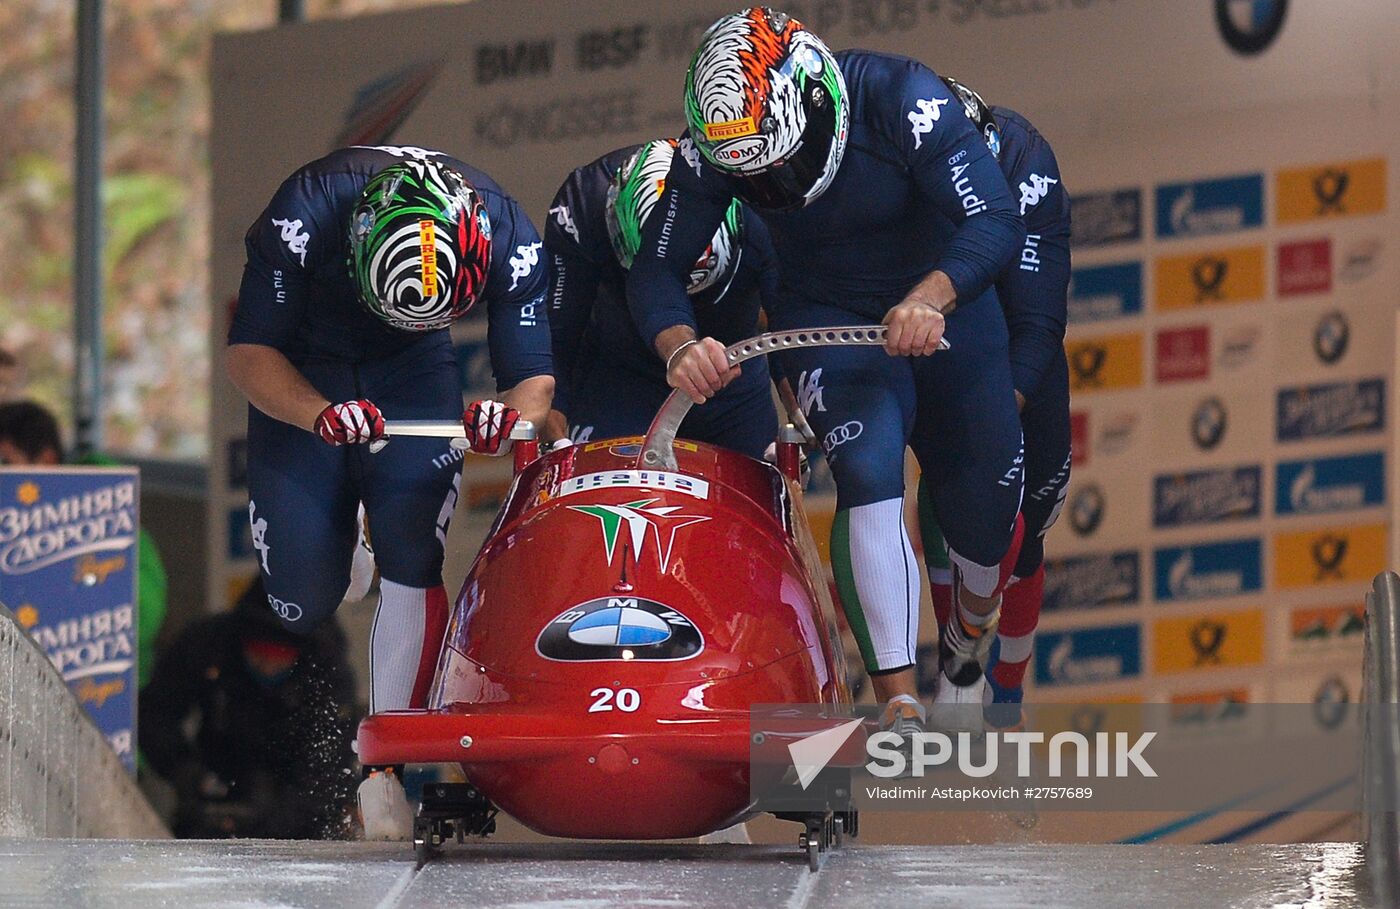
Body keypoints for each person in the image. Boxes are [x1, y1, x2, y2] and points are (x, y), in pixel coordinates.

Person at [627, 8, 1026, 736]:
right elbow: (655, 266)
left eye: (783, 161)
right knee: (867, 465)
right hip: (825, 318)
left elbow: (995, 218)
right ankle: (899, 699)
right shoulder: (714, 147)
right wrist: (681, 345)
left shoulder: (902, 99)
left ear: (817, 104)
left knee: (983, 519)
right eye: (753, 175)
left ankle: (969, 634)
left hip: (947, 312)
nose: (775, 183)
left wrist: (932, 294)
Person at [225, 145, 553, 838]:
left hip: (412, 369)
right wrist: (316, 411)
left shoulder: (505, 233)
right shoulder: (305, 210)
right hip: (305, 365)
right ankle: (346, 549)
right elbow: (250, 352)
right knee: (300, 599)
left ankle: (384, 770)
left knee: (414, 548)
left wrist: (506, 415)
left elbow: (532, 384)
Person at [919, 78, 1072, 731]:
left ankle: (1005, 696)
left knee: (1025, 525)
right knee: (947, 493)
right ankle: (958, 660)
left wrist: (997, 423)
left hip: (1014, 334)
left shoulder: (1025, 158)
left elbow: (1038, 322)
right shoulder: (911, 164)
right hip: (950, 335)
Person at [545, 139, 798, 458]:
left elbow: (789, 319)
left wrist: (804, 409)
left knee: (764, 488)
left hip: (733, 382)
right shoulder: (582, 204)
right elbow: (556, 338)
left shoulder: (759, 201)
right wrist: (554, 445)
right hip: (621, 379)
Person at [139, 577, 359, 839]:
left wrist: (278, 816)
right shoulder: (210, 644)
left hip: (301, 817)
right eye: (259, 654)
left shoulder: (326, 668)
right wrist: (184, 770)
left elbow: (333, 762)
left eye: (278, 658)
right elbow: (155, 712)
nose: (267, 666)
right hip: (218, 796)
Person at [0, 399, 169, 691]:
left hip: (100, 712)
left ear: (47, 459)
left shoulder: (105, 518)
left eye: (5, 463)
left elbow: (143, 614)